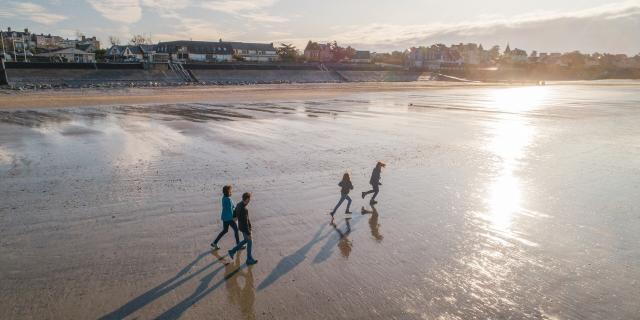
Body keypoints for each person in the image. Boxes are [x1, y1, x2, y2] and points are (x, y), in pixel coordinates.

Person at [229, 192, 258, 265]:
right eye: (249, 200)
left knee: (245, 240)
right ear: (247, 199)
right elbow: (246, 222)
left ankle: (232, 251)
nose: (249, 201)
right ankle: (248, 259)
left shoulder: (239, 204)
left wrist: (235, 217)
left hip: (241, 227)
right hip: (245, 228)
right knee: (250, 241)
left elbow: (234, 213)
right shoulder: (244, 209)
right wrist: (249, 232)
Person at [211, 185, 241, 250]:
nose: (231, 192)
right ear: (228, 192)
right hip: (229, 218)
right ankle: (238, 245)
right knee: (236, 230)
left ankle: (214, 243)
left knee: (225, 230)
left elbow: (228, 208)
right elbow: (230, 209)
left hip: (224, 217)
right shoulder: (228, 199)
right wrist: (234, 217)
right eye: (230, 191)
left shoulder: (223, 198)